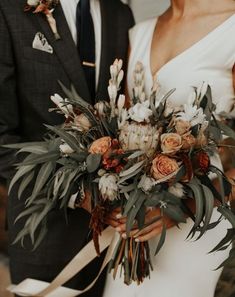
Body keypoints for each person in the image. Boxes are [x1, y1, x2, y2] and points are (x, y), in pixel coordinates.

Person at [0, 0, 134, 296]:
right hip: (43, 231)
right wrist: (77, 193)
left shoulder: (119, 14)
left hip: (112, 240)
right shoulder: (8, 8)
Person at [103, 0, 235, 296]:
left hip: (197, 219)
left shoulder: (231, 27)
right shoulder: (138, 33)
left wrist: (184, 210)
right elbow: (123, 130)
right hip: (134, 223)